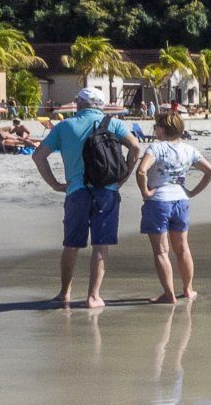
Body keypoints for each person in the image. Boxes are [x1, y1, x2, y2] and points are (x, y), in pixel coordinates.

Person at [32, 87, 143, 309]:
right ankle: (93, 296)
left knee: (71, 245)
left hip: (77, 190)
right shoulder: (114, 124)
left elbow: (38, 156)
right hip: (107, 190)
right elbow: (135, 147)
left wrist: (55, 184)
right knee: (101, 245)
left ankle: (64, 293)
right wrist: (124, 176)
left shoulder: (65, 126)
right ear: (101, 106)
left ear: (79, 103)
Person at [136, 110, 211, 304]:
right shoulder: (189, 150)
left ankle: (169, 294)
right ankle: (188, 289)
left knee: (161, 251)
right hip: (181, 201)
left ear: (162, 130)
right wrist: (192, 192)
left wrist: (145, 192)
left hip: (159, 202)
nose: (154, 130)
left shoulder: (156, 148)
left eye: (156, 127)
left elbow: (141, 171)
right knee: (182, 248)